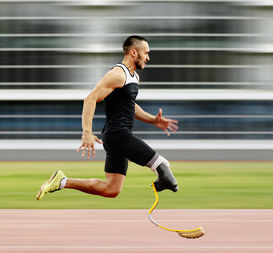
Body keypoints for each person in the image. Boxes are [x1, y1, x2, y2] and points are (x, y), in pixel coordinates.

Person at [36, 35, 179, 201]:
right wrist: (87, 132)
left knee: (111, 189)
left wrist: (153, 120)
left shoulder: (134, 77)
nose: (148, 57)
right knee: (162, 166)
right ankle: (164, 181)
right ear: (134, 52)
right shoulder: (117, 74)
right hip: (118, 135)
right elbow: (90, 98)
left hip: (117, 136)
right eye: (146, 53)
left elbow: (130, 107)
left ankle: (62, 181)